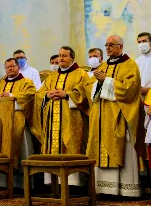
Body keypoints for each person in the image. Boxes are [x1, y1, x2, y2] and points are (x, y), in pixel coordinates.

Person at [85, 35, 146, 197]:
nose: (108, 48)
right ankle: (103, 189)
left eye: (111, 45)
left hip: (120, 115)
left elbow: (130, 89)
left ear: (120, 46)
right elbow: (90, 87)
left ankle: (125, 190)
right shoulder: (103, 65)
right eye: (106, 45)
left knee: (122, 148)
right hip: (101, 116)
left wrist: (107, 81)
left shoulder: (130, 65)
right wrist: (98, 83)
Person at [35, 46, 89, 186]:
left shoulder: (81, 74)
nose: (61, 58)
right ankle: (52, 182)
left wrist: (67, 94)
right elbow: (39, 94)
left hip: (71, 119)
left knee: (71, 144)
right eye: (59, 55)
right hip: (52, 119)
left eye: (65, 55)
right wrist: (47, 95)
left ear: (72, 58)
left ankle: (73, 183)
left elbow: (85, 94)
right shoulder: (52, 76)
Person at [0, 58, 36, 188]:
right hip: (1, 121)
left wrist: (11, 95)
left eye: (12, 66)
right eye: (7, 67)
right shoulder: (0, 83)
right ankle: (1, 183)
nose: (10, 69)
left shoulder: (26, 82)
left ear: (18, 67)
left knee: (21, 150)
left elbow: (30, 94)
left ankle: (21, 184)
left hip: (18, 120)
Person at [136, 32, 151, 158]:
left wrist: (149, 89)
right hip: (139, 101)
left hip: (150, 100)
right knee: (142, 134)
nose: (142, 44)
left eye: (144, 41)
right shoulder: (136, 62)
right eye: (139, 42)